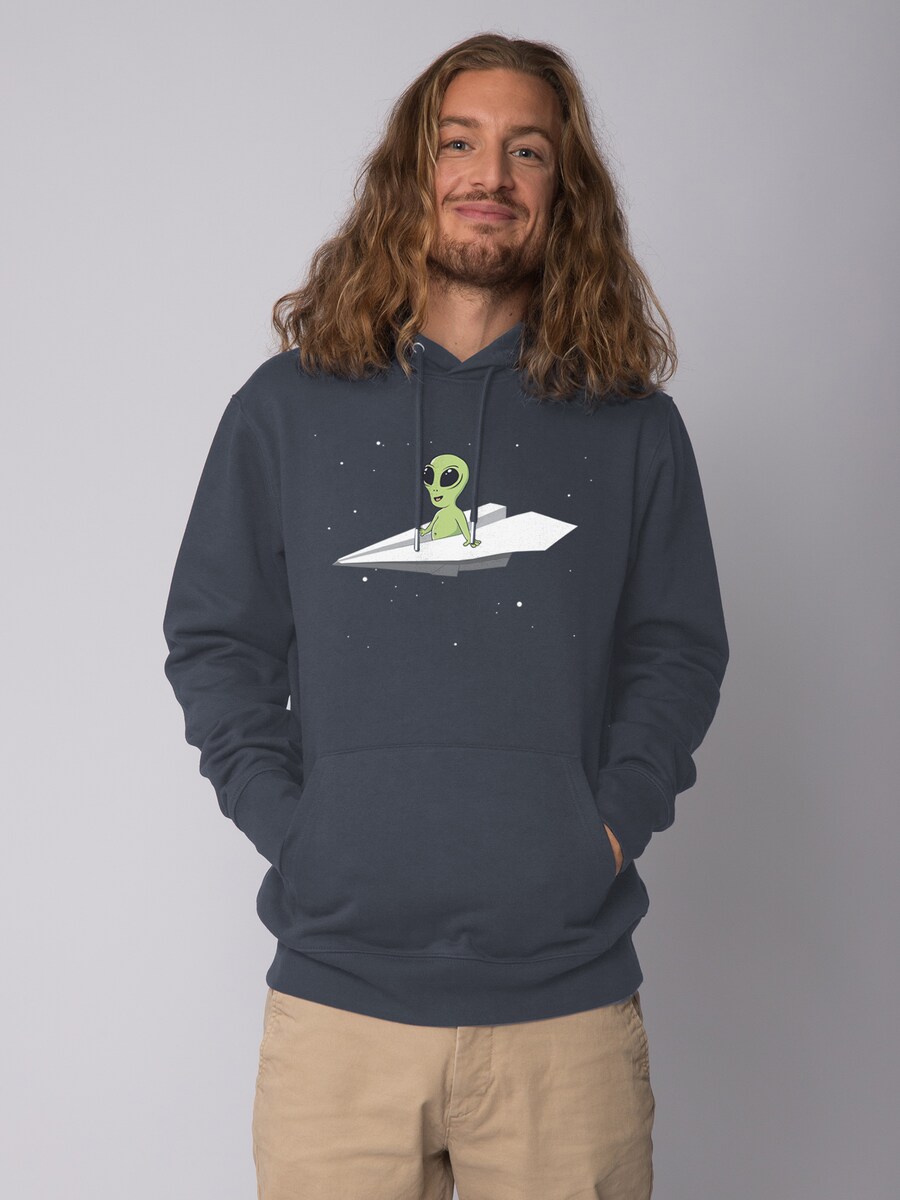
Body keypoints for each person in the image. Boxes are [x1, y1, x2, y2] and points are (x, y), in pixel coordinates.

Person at [162, 31, 729, 1200]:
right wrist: (298, 831)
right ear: (410, 172)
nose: (491, 175)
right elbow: (217, 640)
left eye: (528, 150)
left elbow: (676, 651)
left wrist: (605, 829)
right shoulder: (285, 409)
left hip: (563, 1012)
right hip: (340, 1013)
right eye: (459, 143)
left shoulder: (631, 425)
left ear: (565, 189)